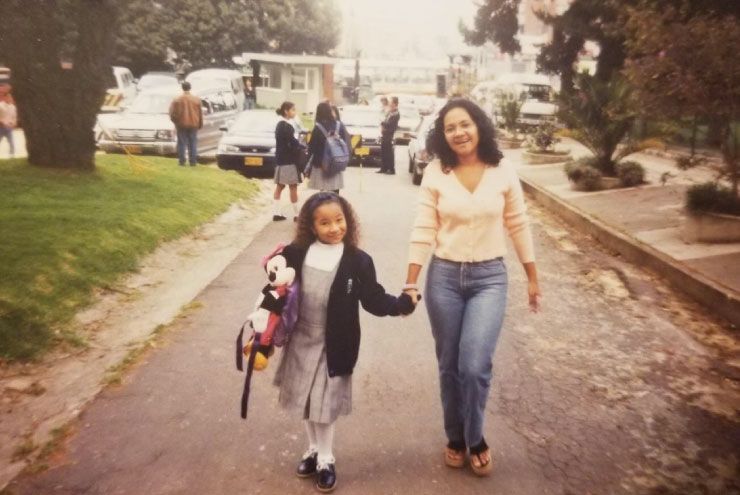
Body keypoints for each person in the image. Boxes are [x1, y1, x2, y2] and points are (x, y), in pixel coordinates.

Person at [403, 98, 540, 477]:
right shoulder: (436, 171)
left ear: (479, 125)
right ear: (442, 134)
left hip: (489, 279)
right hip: (444, 278)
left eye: (465, 124)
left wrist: (532, 275)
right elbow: (423, 228)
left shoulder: (502, 169)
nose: (459, 132)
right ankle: (455, 437)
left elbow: (518, 222)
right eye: (450, 128)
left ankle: (476, 436)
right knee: (449, 365)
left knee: (475, 365)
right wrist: (410, 280)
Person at [273, 192, 416, 492]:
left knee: (324, 405)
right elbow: (275, 273)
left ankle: (326, 458)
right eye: (324, 223)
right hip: (301, 337)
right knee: (306, 400)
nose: (334, 228)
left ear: (348, 221)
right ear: (311, 227)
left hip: (335, 341)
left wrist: (401, 305)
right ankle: (312, 449)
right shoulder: (298, 251)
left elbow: (373, 298)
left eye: (339, 220)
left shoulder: (357, 261)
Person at [306, 102, 350, 194]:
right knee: (335, 189)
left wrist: (316, 164)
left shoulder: (318, 127)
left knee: (323, 191)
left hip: (323, 164)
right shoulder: (339, 125)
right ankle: (336, 206)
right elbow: (345, 143)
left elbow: (313, 148)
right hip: (337, 161)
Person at [273, 101, 305, 222]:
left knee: (280, 186)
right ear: (286, 111)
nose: (294, 112)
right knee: (293, 187)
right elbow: (293, 144)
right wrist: (302, 147)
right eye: (293, 110)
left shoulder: (279, 125)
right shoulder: (287, 126)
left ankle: (276, 212)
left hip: (280, 161)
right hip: (289, 161)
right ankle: (297, 214)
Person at [168, 81, 202, 167]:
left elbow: (172, 113)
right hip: (193, 124)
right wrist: (200, 124)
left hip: (181, 124)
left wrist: (176, 121)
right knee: (193, 142)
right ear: (190, 88)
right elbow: (200, 113)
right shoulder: (196, 99)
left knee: (182, 143)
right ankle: (193, 162)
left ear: (182, 88)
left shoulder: (177, 99)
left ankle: (182, 161)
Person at [378, 96, 399, 174]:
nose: (389, 103)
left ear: (395, 103)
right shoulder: (390, 112)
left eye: (391, 102)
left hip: (389, 135)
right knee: (383, 151)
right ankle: (383, 168)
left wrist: (382, 123)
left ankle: (391, 169)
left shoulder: (396, 113)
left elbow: (390, 124)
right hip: (385, 134)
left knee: (389, 152)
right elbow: (385, 119)